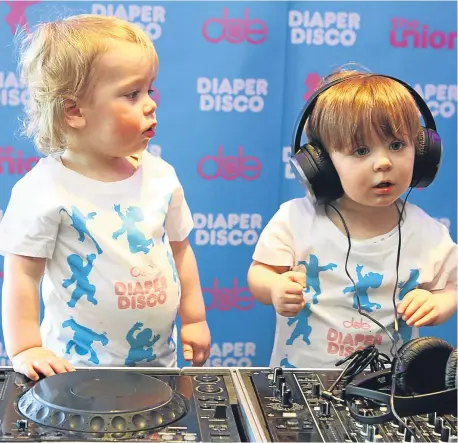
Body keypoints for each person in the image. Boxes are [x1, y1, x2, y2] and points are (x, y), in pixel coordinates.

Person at [0, 14, 210, 380]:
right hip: (73, 375)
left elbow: (180, 251)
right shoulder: (42, 190)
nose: (150, 104)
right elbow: (22, 275)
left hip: (157, 371)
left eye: (150, 90)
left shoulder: (161, 177)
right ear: (74, 111)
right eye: (132, 94)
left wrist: (194, 318)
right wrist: (25, 347)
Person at [247, 68, 457, 368]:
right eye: (361, 151)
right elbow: (260, 273)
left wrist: (439, 303)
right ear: (321, 164)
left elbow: (451, 286)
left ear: (422, 152)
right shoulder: (295, 220)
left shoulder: (428, 233)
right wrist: (274, 287)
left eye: (397, 145)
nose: (383, 162)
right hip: (302, 385)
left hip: (387, 389)